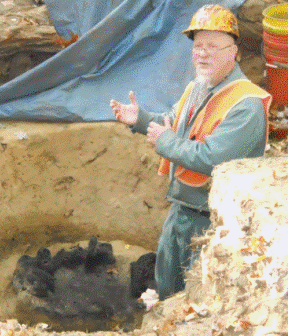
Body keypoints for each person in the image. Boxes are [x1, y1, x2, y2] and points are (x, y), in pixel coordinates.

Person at [110, 4, 272, 301]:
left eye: (212, 46)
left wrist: (165, 141)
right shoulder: (199, 87)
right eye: (198, 46)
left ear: (234, 51)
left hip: (213, 224)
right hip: (183, 210)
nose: (202, 53)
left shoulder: (245, 104)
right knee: (167, 293)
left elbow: (213, 159)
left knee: (195, 303)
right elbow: (174, 125)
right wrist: (141, 120)